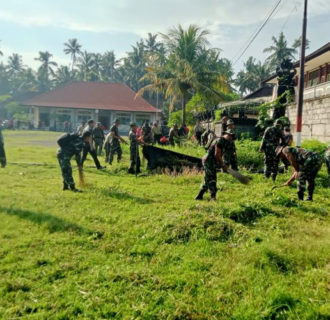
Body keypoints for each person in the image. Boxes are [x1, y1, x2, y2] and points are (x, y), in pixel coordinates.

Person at [195, 131, 236, 201]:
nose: (231, 140)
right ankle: (213, 197)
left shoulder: (226, 142)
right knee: (212, 179)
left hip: (213, 162)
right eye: (231, 137)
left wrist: (229, 165)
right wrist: (223, 165)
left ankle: (199, 196)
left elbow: (230, 154)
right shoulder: (220, 141)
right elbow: (217, 154)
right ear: (227, 135)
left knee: (208, 179)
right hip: (208, 161)